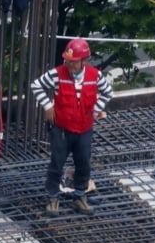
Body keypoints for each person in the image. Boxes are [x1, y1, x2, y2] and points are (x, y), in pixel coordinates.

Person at [30, 37, 113, 215]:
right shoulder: (57, 74)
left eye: (74, 62)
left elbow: (108, 92)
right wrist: (48, 105)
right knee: (56, 164)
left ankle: (80, 196)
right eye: (68, 60)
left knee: (83, 163)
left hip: (84, 128)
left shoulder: (94, 75)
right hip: (62, 129)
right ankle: (53, 198)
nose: (69, 64)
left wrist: (96, 110)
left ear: (84, 61)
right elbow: (36, 86)